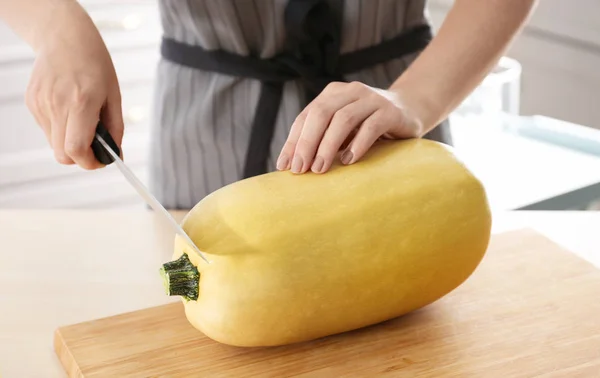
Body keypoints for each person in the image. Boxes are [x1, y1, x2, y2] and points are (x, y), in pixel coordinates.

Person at [0, 0, 536, 209]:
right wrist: (58, 28)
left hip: (390, 124)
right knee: (195, 314)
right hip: (204, 143)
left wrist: (415, 98)